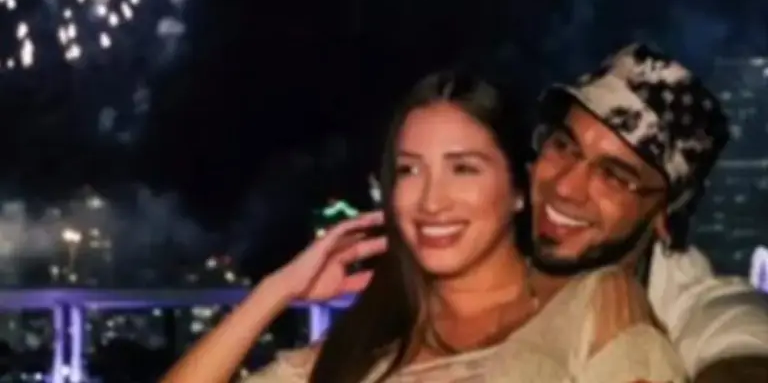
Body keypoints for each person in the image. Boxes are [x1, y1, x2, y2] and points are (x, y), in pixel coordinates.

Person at [161, 71, 686, 382]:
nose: (432, 201)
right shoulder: (363, 353)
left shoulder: (591, 307)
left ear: (518, 189)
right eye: (410, 171)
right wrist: (277, 291)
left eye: (464, 169)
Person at [526, 43, 768, 382]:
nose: (564, 187)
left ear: (664, 213)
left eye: (613, 176)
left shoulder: (691, 306)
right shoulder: (486, 236)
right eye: (564, 146)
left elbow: (741, 343)